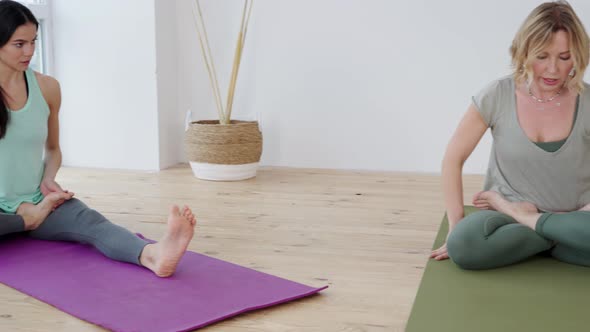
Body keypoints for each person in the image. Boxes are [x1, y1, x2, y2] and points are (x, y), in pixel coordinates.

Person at [0, 0, 196, 277]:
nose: (29, 51)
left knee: (90, 221)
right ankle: (24, 221)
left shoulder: (47, 88)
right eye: (19, 44)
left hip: (36, 200)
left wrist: (48, 178)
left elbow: (53, 149)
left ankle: (153, 255)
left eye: (33, 41)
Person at [430, 1, 590, 269]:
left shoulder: (587, 101)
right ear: (524, 51)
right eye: (542, 56)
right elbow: (452, 159)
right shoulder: (497, 95)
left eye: (564, 57)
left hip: (575, 216)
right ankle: (556, 238)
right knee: (464, 245)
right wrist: (455, 226)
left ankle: (533, 226)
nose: (552, 69)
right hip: (507, 217)